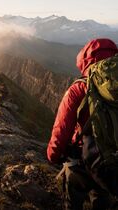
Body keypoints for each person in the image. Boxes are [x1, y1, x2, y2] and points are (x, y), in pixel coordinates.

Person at [47, 38, 118, 210]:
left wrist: (53, 155)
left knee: (73, 199)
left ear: (84, 61)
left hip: (82, 161)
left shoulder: (78, 89)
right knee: (103, 199)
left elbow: (61, 129)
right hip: (112, 161)